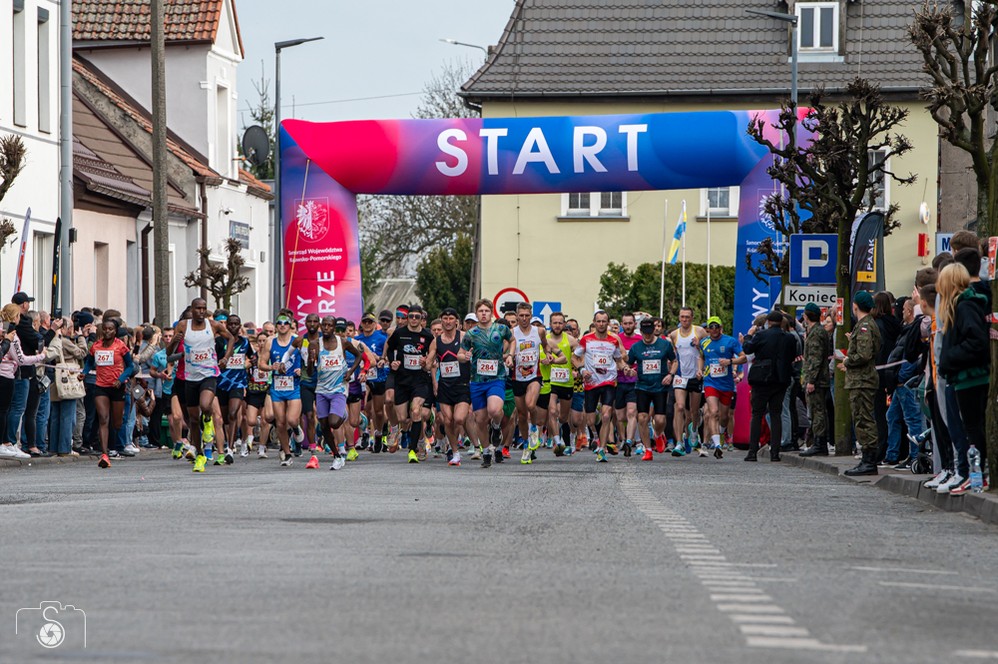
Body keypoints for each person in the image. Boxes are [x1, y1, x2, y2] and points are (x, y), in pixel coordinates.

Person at [936, 263, 990, 495]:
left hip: (970, 376)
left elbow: (977, 342)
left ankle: (976, 475)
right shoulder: (962, 306)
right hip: (964, 375)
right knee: (970, 427)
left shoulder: (965, 307)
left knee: (972, 427)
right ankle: (973, 474)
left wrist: (950, 358)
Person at [168, 298, 235, 472]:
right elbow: (169, 354)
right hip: (190, 378)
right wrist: (174, 341)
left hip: (209, 374)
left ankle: (208, 422)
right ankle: (199, 455)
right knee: (193, 420)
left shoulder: (213, 325)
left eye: (204, 308)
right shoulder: (183, 325)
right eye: (198, 308)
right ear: (192, 309)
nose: (201, 311)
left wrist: (226, 357)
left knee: (205, 406)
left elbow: (231, 338)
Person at [461, 299, 514, 468]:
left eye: (486, 311)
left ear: (492, 312)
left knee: (495, 409)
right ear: (476, 314)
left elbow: (512, 340)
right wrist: (465, 357)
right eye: (480, 311)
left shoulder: (501, 329)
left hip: (496, 378)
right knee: (481, 419)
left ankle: (497, 426)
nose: (483, 314)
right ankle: (485, 452)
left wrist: (510, 355)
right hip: (477, 380)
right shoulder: (471, 333)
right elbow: (460, 354)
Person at [573, 310, 631, 463]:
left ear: (608, 323)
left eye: (604, 321)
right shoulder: (586, 339)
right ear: (594, 322)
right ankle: (596, 435)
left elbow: (619, 360)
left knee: (606, 415)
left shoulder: (613, 340)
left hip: (609, 381)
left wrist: (625, 368)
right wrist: (582, 369)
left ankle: (602, 449)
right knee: (591, 419)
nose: (601, 324)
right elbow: (574, 357)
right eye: (598, 321)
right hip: (591, 382)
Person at [309, 316, 366, 470]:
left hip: (338, 389)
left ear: (334, 327)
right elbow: (309, 371)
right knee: (325, 425)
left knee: (334, 422)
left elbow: (359, 356)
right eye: (324, 325)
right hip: (321, 390)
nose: (326, 328)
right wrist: (310, 360)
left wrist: (350, 371)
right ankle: (337, 455)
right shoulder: (314, 344)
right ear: (321, 327)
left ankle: (343, 415)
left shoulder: (342, 343)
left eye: (329, 325)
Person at [838, 291, 882, 476]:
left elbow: (864, 355)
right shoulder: (865, 325)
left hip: (862, 380)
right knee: (861, 419)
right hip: (861, 379)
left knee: (864, 419)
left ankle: (869, 461)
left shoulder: (864, 326)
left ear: (855, 305)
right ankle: (866, 459)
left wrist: (847, 360)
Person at [741, 311, 795, 462]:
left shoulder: (762, 335)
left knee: (757, 414)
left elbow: (747, 349)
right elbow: (792, 355)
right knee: (776, 413)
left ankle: (752, 451)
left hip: (762, 378)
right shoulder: (789, 338)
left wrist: (748, 336)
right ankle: (775, 453)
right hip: (781, 379)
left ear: (768, 322)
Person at [82, 319, 136, 468]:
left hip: (117, 387)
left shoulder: (121, 346)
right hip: (101, 386)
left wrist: (121, 379)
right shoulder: (96, 346)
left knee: (116, 422)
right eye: (104, 329)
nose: (107, 331)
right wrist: (84, 373)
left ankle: (113, 445)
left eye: (110, 329)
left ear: (115, 331)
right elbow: (89, 362)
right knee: (103, 419)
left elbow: (130, 367)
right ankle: (104, 454)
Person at [385, 304, 434, 464]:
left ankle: (414, 448)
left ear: (421, 319)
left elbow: (431, 359)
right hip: (402, 380)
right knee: (402, 418)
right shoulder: (399, 333)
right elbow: (389, 349)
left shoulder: (428, 337)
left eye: (417, 317)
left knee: (415, 411)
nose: (413, 319)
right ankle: (417, 438)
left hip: (420, 380)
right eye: (410, 316)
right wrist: (392, 362)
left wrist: (425, 362)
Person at [425, 307, 471, 467]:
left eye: (451, 319)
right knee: (447, 420)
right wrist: (426, 364)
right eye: (445, 318)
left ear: (457, 321)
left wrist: (469, 357)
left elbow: (475, 354)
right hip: (445, 386)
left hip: (463, 385)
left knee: (459, 419)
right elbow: (429, 362)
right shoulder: (436, 341)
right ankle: (455, 452)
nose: (448, 321)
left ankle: (456, 443)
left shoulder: (464, 336)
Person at [258, 312, 305, 467]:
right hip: (277, 386)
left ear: (290, 324)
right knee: (280, 423)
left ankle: (296, 429)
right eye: (279, 323)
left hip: (294, 385)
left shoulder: (298, 340)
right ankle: (287, 453)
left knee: (291, 419)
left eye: (286, 322)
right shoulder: (270, 342)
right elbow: (261, 364)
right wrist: (272, 367)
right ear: (276, 325)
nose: (283, 325)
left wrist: (301, 370)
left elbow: (310, 359)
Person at [0, 304, 46, 460]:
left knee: (6, 410)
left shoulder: (4, 331)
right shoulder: (11, 335)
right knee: (5, 410)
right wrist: (40, 356)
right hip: (5, 375)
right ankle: (5, 443)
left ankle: (7, 442)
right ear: (15, 317)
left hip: (7, 374)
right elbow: (21, 359)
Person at [628, 317, 676, 461]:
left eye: (650, 332)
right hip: (642, 386)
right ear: (641, 332)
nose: (648, 336)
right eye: (645, 333)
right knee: (642, 417)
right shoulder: (636, 347)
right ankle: (648, 450)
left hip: (660, 386)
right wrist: (628, 370)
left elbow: (674, 361)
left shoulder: (664, 345)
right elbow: (628, 364)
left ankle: (658, 434)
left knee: (660, 419)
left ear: (654, 330)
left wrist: (671, 375)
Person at [700, 316, 746, 459]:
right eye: (711, 327)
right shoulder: (704, 342)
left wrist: (730, 361)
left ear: (721, 328)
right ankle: (717, 445)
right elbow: (701, 357)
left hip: (726, 384)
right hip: (710, 382)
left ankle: (721, 433)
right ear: (708, 329)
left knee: (724, 416)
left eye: (716, 327)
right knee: (712, 412)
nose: (714, 330)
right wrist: (699, 369)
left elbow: (744, 357)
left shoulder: (730, 341)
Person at [669, 307, 706, 454]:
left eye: (687, 317)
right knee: (679, 407)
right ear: (679, 318)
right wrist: (671, 372)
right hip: (680, 375)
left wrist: (700, 345)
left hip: (695, 375)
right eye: (682, 317)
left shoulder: (700, 332)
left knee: (694, 411)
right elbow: (674, 356)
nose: (685, 320)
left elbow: (706, 353)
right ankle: (678, 442)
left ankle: (694, 430)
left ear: (692, 318)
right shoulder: (673, 335)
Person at [48, 316, 86, 458]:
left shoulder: (55, 339)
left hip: (56, 379)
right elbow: (82, 352)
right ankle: (65, 448)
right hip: (67, 380)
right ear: (63, 328)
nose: (71, 331)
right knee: (67, 415)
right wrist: (81, 337)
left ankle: (54, 447)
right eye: (69, 328)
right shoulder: (65, 341)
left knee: (56, 415)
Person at [217, 314, 254, 457]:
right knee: (226, 417)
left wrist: (253, 361)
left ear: (240, 326)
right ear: (226, 325)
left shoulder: (244, 342)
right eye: (230, 324)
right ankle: (229, 440)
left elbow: (252, 356)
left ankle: (230, 449)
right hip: (221, 383)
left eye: (236, 324)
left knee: (233, 414)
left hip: (238, 383)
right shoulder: (220, 342)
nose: (233, 326)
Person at [800, 303, 832, 457]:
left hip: (817, 380)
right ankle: (817, 442)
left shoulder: (816, 333)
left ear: (806, 316)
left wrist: (811, 380)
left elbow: (815, 359)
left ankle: (819, 443)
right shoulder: (818, 331)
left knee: (817, 411)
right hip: (819, 378)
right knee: (817, 410)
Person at [545, 312, 578, 457]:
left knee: (563, 417)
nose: (557, 325)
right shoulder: (544, 340)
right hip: (550, 381)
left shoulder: (571, 340)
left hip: (566, 381)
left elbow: (579, 358)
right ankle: (558, 442)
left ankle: (563, 435)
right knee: (552, 411)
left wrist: (580, 369)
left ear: (564, 324)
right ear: (550, 324)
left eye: (560, 323)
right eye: (554, 322)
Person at [355, 312, 389, 452]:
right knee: (366, 410)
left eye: (370, 322)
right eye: (365, 322)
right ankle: (364, 435)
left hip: (378, 377)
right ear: (362, 324)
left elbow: (387, 357)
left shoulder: (382, 339)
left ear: (375, 324)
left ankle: (379, 434)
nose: (368, 325)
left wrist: (380, 358)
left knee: (379, 411)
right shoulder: (357, 340)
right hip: (363, 377)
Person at [614, 313, 641, 456]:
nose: (628, 326)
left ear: (635, 324)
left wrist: (636, 372)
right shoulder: (616, 339)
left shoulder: (640, 340)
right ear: (621, 324)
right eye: (625, 323)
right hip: (619, 381)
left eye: (631, 323)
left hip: (634, 382)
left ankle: (629, 442)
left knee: (632, 412)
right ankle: (623, 438)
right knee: (620, 417)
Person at [244, 331, 273, 458]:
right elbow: (244, 366)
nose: (262, 344)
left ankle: (262, 448)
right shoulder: (253, 357)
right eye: (259, 341)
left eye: (264, 341)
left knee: (266, 421)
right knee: (250, 420)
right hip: (253, 391)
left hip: (267, 391)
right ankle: (249, 438)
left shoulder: (272, 357)